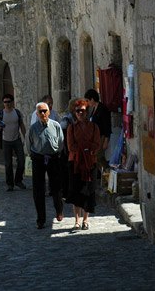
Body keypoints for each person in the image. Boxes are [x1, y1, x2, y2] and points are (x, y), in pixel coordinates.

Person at [28, 101, 64, 229]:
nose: (43, 113)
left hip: (53, 158)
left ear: (49, 112)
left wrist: (57, 153)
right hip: (38, 159)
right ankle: (41, 219)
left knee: (56, 187)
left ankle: (59, 209)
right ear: (36, 114)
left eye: (45, 111)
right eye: (40, 112)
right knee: (38, 189)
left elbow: (61, 142)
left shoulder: (55, 126)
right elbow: (29, 144)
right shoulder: (33, 129)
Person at [66, 99, 101, 231]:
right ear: (74, 113)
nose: (80, 113)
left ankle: (85, 220)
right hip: (75, 162)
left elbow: (97, 144)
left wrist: (87, 149)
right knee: (76, 191)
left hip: (90, 163)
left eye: (83, 110)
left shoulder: (94, 127)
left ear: (87, 111)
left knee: (88, 191)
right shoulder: (71, 128)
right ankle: (76, 220)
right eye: (78, 111)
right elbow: (71, 146)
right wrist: (86, 147)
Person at [0, 93, 26, 191]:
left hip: (17, 139)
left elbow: (21, 125)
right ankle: (10, 184)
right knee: (8, 164)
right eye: (5, 102)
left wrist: (26, 138)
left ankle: (18, 180)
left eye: (9, 102)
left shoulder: (17, 113)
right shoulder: (0, 114)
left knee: (21, 160)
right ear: (3, 103)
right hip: (6, 141)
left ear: (12, 102)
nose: (7, 104)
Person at [85, 88, 112, 169]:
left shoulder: (102, 109)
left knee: (97, 156)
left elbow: (107, 125)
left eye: (88, 101)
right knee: (96, 157)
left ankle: (107, 170)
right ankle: (105, 174)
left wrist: (106, 140)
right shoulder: (94, 109)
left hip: (102, 136)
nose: (87, 103)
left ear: (92, 100)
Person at [60, 98, 77, 198]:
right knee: (66, 171)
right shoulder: (67, 119)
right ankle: (65, 193)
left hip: (73, 148)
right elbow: (63, 133)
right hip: (66, 149)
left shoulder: (76, 118)